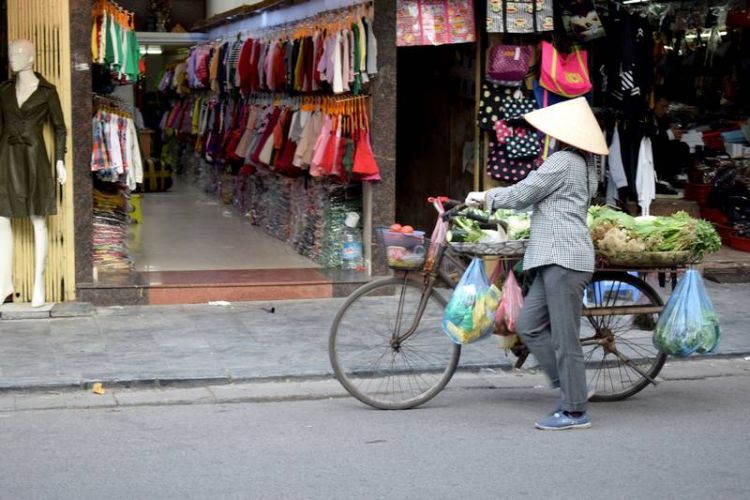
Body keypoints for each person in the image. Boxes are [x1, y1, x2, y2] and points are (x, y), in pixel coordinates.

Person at [465, 97, 607, 430]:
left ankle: (575, 411)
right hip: (553, 257)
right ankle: (572, 386)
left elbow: (525, 193)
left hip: (564, 258)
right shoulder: (583, 163)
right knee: (528, 324)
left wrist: (487, 197)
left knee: (565, 338)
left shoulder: (563, 162)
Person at [0, 39, 67, 307]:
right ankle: (4, 284)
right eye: (10, 53)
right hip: (6, 154)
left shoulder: (47, 91)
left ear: (31, 59)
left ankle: (39, 281)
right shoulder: (3, 90)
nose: (12, 57)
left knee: (37, 218)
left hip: (34, 157)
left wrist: (60, 161)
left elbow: (60, 128)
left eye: (18, 53)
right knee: (1, 220)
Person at [650, 93, 690, 186]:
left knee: (681, 146)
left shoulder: (664, 118)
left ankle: (673, 176)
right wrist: (668, 134)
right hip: (652, 148)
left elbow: (670, 127)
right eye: (662, 106)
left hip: (662, 145)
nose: (665, 110)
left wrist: (675, 131)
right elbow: (651, 135)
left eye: (666, 107)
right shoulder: (648, 116)